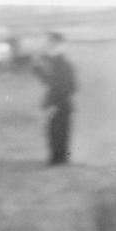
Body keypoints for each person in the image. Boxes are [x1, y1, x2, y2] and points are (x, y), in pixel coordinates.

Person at [32, 31, 77, 165]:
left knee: (57, 133)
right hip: (63, 103)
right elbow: (71, 86)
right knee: (58, 133)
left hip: (60, 103)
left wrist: (55, 103)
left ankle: (58, 160)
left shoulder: (60, 64)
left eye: (49, 42)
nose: (46, 45)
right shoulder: (61, 63)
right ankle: (59, 160)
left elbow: (60, 85)